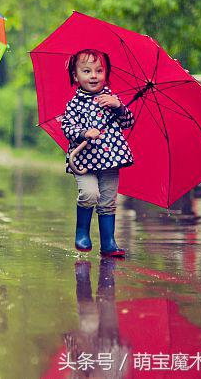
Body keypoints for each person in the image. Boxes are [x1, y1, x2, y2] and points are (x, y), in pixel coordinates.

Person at [61, 49, 134, 257]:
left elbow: (128, 122)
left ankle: (109, 242)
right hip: (83, 161)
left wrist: (119, 106)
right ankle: (82, 232)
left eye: (99, 71)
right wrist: (84, 132)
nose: (93, 76)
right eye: (87, 71)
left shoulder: (111, 100)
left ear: (106, 74)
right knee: (90, 193)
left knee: (108, 200)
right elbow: (67, 128)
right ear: (76, 77)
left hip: (110, 160)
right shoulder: (74, 104)